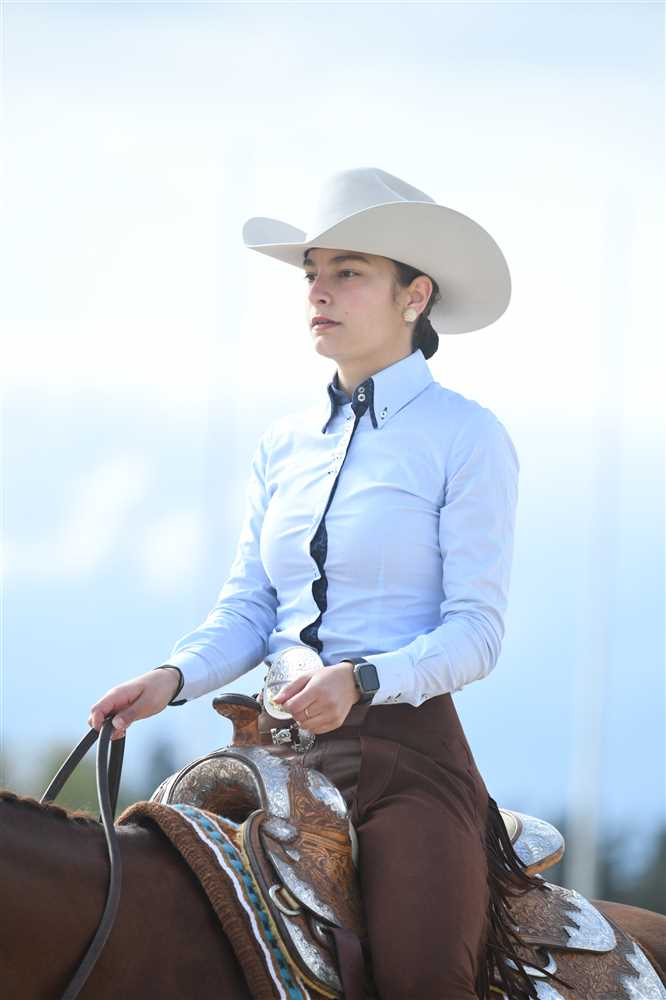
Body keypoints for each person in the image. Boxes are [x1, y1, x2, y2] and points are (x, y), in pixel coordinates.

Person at [89, 167, 555, 999]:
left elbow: (477, 632)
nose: (318, 292)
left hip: (404, 762)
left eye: (349, 272)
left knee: (420, 983)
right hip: (265, 756)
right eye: (312, 273)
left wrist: (362, 679)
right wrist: (171, 678)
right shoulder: (282, 445)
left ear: (415, 296)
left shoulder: (467, 437)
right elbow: (251, 606)